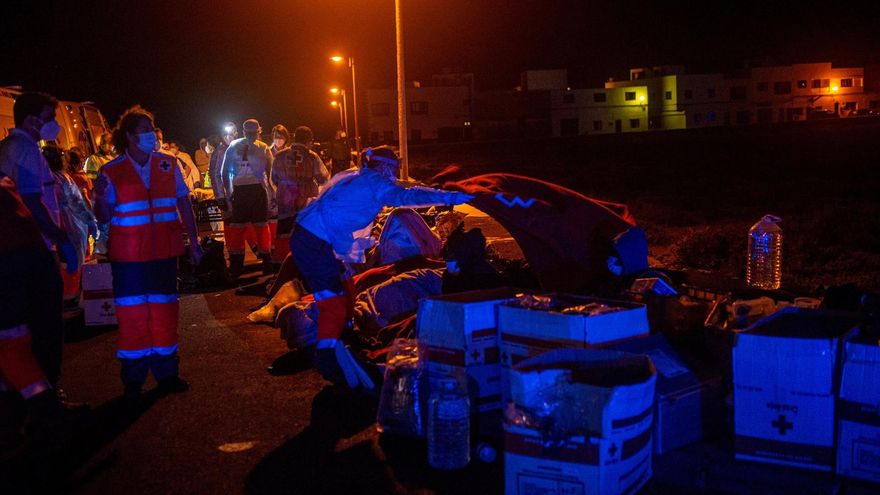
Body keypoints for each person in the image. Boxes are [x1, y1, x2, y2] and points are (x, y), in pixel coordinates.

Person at [290, 146, 472, 389]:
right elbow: (406, 196)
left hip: (314, 237)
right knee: (333, 303)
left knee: (346, 287)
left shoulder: (356, 176)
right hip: (316, 243)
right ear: (386, 167)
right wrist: (448, 197)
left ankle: (345, 341)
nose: (395, 173)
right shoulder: (376, 183)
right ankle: (327, 357)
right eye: (394, 168)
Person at [92, 105, 202, 403]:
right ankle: (134, 380)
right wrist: (100, 195)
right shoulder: (110, 171)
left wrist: (194, 241)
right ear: (128, 136)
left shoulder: (168, 164)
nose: (151, 135)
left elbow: (184, 204)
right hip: (128, 259)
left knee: (166, 313)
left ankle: (167, 375)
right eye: (144, 130)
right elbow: (101, 216)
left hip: (164, 254)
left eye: (152, 129)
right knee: (133, 318)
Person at [0, 91, 81, 406]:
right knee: (46, 326)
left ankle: (20, 400)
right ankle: (49, 398)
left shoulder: (7, 148)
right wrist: (61, 240)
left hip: (12, 251)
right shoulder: (27, 150)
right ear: (33, 120)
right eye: (50, 119)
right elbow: (33, 202)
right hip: (34, 250)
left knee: (19, 328)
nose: (54, 127)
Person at [0, 173, 88, 451]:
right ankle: (45, 412)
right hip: (14, 265)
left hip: (21, 262)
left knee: (18, 345)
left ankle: (24, 416)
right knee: (13, 346)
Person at [43, 145, 97, 304]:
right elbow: (77, 203)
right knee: (69, 261)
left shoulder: (39, 177)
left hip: (48, 228)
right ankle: (69, 295)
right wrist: (91, 221)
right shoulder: (63, 178)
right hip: (68, 226)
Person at [220, 118, 274, 276]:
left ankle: (244, 265)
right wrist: (271, 194)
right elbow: (271, 175)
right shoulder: (260, 147)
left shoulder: (238, 146)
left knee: (248, 227)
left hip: (248, 190)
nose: (252, 135)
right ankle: (261, 264)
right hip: (250, 190)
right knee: (254, 227)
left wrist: (230, 192)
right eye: (251, 132)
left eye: (252, 132)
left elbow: (224, 172)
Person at [271, 125, 329, 264]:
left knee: (284, 228)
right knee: (306, 228)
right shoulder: (311, 156)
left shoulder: (280, 155)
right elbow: (324, 178)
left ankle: (281, 261)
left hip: (285, 196)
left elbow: (273, 178)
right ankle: (305, 259)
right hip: (306, 197)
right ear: (309, 140)